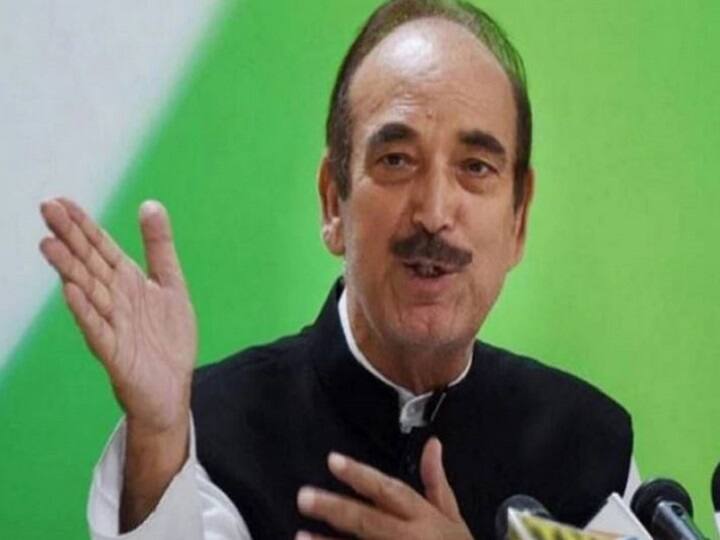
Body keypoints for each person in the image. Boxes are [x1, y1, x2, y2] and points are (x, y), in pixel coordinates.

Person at [39, 1, 638, 538]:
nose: (434, 213)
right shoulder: (211, 437)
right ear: (333, 203)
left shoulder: (589, 453)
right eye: (397, 160)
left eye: (475, 167)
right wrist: (159, 438)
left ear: (519, 221)